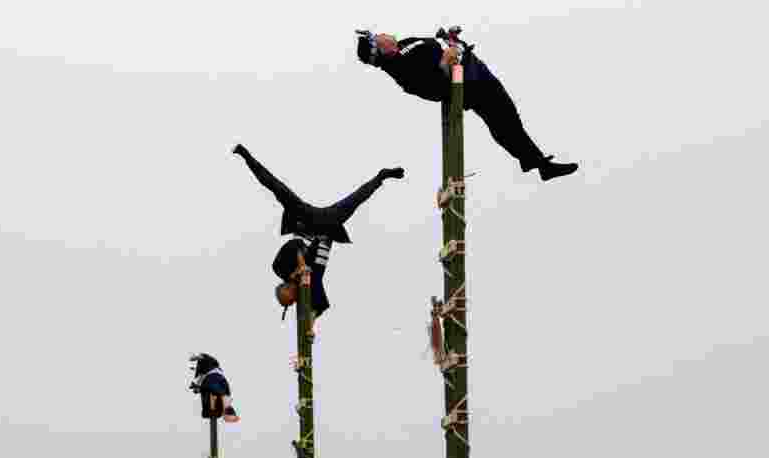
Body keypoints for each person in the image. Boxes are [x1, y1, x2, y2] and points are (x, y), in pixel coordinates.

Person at [355, 30, 578, 181]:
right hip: (471, 83)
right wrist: (447, 62)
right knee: (505, 124)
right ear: (381, 49)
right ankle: (540, 165)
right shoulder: (401, 69)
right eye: (377, 37)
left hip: (474, 70)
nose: (382, 33)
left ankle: (537, 163)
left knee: (509, 121)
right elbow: (433, 87)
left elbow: (433, 50)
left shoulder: (405, 45)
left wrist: (448, 40)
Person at [233, 143, 404, 326]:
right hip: (327, 228)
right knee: (353, 202)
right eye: (291, 304)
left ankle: (245, 155)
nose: (293, 302)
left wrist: (301, 264)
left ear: (285, 289)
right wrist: (310, 324)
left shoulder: (279, 268)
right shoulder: (309, 286)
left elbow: (294, 245)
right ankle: (381, 176)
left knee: (277, 188)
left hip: (306, 220)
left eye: (289, 300)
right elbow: (321, 306)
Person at [189, 353, 239, 422]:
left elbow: (203, 357)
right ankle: (223, 409)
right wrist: (197, 387)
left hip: (214, 382)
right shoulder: (210, 374)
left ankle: (225, 409)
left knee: (214, 391)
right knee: (215, 393)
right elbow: (200, 381)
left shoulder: (210, 374)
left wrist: (196, 357)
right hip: (218, 388)